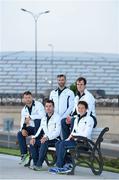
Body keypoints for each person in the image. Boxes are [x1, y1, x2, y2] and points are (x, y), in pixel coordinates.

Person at [49, 101, 94, 174]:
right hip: (75, 141)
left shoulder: (89, 119)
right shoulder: (76, 118)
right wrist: (67, 139)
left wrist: (75, 135)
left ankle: (59, 166)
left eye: (82, 108)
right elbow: (73, 132)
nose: (80, 109)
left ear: (86, 109)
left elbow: (86, 134)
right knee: (58, 143)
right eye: (79, 108)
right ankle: (68, 164)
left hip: (84, 143)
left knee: (62, 144)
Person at [29, 99, 61, 171]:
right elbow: (40, 129)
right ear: (45, 108)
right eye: (46, 106)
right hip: (45, 139)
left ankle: (39, 165)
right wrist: (34, 137)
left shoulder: (57, 117)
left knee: (44, 142)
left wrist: (47, 137)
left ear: (53, 107)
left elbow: (57, 132)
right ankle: (35, 162)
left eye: (50, 106)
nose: (48, 108)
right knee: (32, 143)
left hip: (55, 139)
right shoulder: (44, 117)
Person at [17, 91, 45, 164]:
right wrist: (23, 129)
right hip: (31, 128)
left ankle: (36, 159)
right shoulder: (24, 110)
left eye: (29, 97)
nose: (27, 99)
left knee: (37, 121)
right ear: (24, 99)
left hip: (40, 128)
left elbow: (43, 116)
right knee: (19, 134)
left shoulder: (39, 105)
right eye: (26, 98)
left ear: (32, 97)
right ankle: (24, 154)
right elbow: (22, 121)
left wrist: (31, 117)